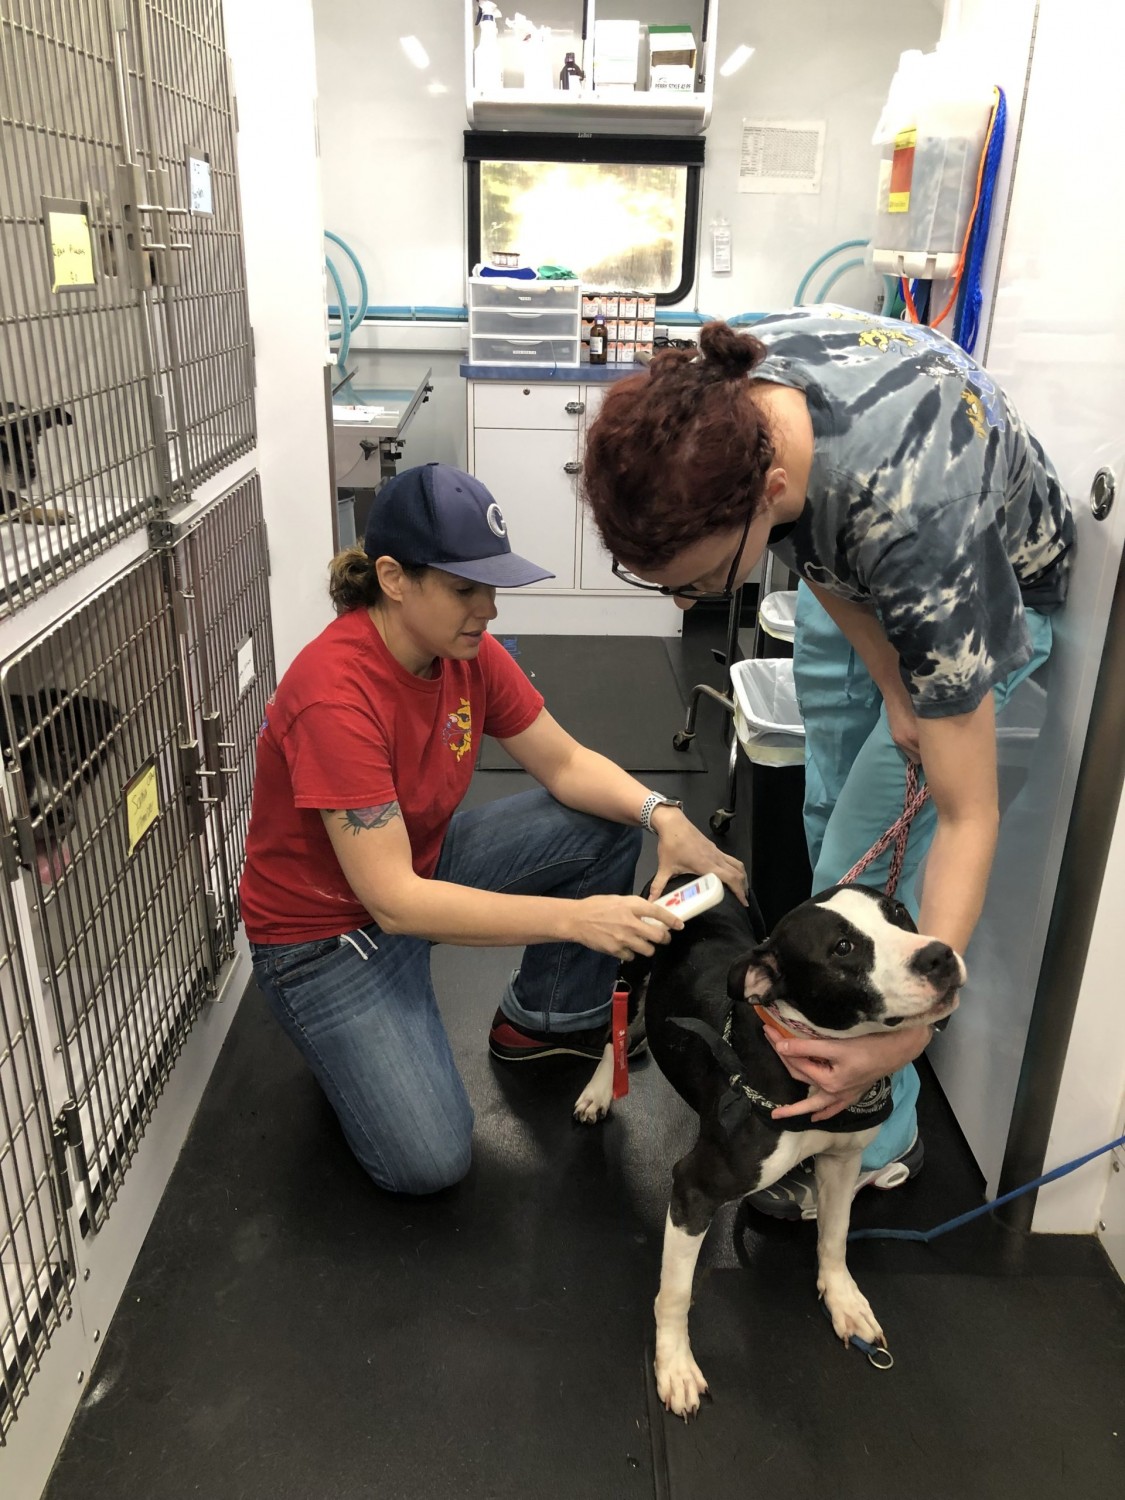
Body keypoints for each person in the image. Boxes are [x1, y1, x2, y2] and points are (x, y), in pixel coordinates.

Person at [582, 305, 1074, 1219]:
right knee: (826, 851)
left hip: (976, 587)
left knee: (865, 866)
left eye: (695, 582)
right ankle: (831, 1054)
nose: (687, 603)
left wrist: (913, 1028)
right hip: (844, 560)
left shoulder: (922, 537)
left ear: (765, 491)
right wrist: (889, 679)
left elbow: (972, 815)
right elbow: (816, 549)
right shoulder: (727, 399)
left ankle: (870, 1131)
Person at [239, 461, 746, 1196]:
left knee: (602, 824)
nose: (489, 610)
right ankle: (343, 1042)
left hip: (416, 872)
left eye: (493, 587)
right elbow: (393, 905)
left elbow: (566, 763)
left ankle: (544, 1019)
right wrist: (579, 921)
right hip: (325, 943)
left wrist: (662, 816)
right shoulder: (334, 696)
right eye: (464, 590)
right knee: (428, 1164)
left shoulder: (464, 654)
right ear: (392, 577)